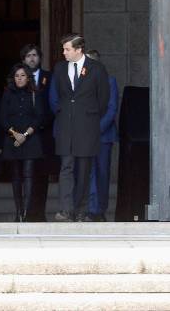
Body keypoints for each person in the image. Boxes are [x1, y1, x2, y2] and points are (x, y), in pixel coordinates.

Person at [48, 33, 110, 222]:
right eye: (63, 49)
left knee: (84, 169)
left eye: (67, 49)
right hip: (66, 126)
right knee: (66, 167)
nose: (64, 53)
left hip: (87, 126)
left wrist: (88, 116)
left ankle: (81, 209)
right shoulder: (59, 69)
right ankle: (66, 209)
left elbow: (103, 100)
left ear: (78, 49)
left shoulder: (96, 69)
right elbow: (56, 96)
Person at [0, 63, 50, 221]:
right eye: (16, 76)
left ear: (28, 77)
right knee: (16, 177)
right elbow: (2, 117)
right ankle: (18, 212)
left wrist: (25, 135)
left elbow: (40, 117)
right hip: (12, 139)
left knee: (28, 175)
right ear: (12, 78)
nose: (19, 78)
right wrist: (15, 134)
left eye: (22, 75)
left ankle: (27, 213)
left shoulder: (35, 93)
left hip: (31, 139)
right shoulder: (7, 94)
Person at [85, 49, 120, 222]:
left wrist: (96, 129)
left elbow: (112, 108)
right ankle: (92, 209)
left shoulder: (110, 81)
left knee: (102, 173)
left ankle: (101, 208)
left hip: (104, 136)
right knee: (89, 172)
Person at [21, 43, 53, 221]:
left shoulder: (49, 77)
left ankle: (39, 213)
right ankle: (25, 212)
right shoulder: (19, 77)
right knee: (26, 174)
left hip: (44, 134)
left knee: (42, 174)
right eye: (28, 56)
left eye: (34, 55)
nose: (32, 58)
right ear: (23, 60)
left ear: (39, 58)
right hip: (25, 135)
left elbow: (53, 103)